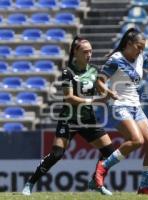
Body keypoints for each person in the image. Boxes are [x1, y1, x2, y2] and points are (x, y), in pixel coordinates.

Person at [22, 36, 116, 196]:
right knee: (57, 154)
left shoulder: (94, 70)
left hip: (88, 120)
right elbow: (69, 98)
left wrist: (109, 93)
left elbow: (101, 90)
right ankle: (31, 182)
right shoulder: (68, 72)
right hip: (69, 119)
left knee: (109, 151)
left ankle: (95, 180)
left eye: (91, 51)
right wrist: (93, 99)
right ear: (75, 52)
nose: (89, 55)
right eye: (85, 51)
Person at [92, 27, 148, 195]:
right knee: (136, 140)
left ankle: (143, 187)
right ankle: (102, 169)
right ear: (128, 44)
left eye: (143, 47)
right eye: (139, 46)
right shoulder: (115, 60)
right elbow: (99, 82)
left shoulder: (141, 57)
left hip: (135, 107)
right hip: (117, 105)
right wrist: (108, 92)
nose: (141, 50)